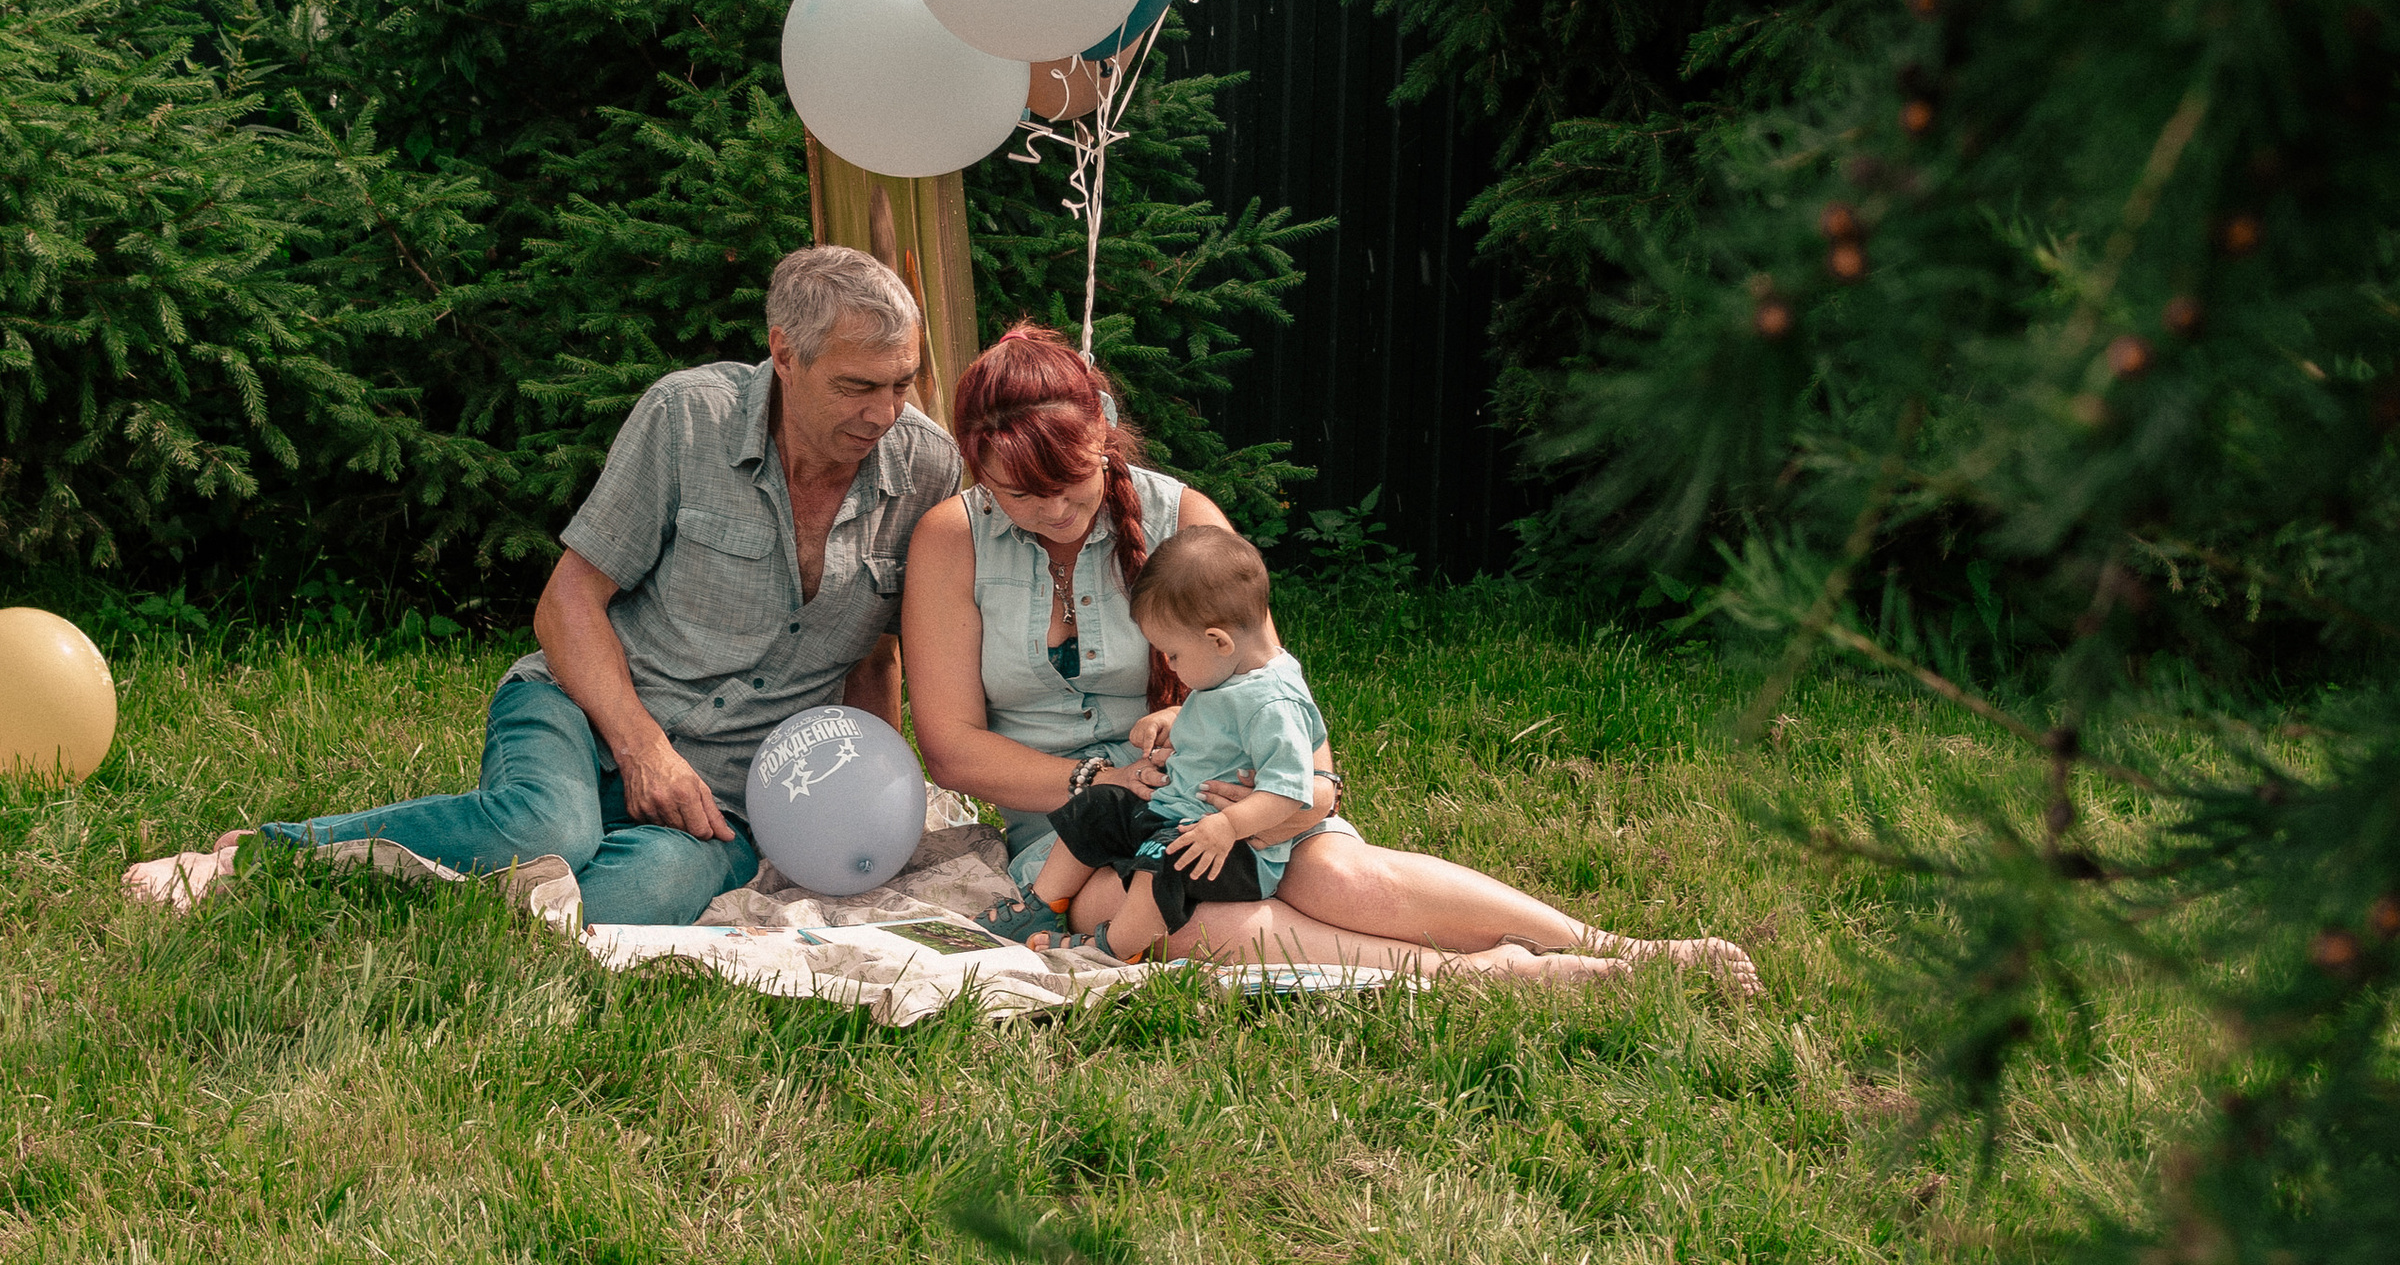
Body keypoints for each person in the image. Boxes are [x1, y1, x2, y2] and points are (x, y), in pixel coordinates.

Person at [898, 321, 1759, 990]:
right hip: (1069, 827)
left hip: (1220, 784)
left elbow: (1274, 685)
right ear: (975, 467)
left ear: (1107, 437)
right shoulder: (951, 541)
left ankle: (1621, 947)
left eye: (1071, 484)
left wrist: (1295, 796)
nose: (1053, 512)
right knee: (1166, 919)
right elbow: (948, 745)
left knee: (1339, 873)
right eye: (1021, 494)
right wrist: (1098, 784)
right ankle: (1489, 978)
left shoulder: (1184, 516)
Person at [264, 248, 958, 926]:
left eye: (900, 383)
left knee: (633, 901)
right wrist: (643, 749)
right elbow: (566, 603)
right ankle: (275, 854)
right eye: (857, 387)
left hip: (727, 798)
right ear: (783, 353)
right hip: (583, 717)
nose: (885, 413)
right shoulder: (687, 416)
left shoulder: (928, 468)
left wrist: (861, 807)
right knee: (549, 830)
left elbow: (874, 657)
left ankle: (477, 875)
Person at [1028, 526, 1322, 960]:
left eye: (1173, 654)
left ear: (1218, 641)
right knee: (1099, 804)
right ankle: (1038, 907)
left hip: (1229, 850)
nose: (1169, 664)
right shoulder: (1233, 676)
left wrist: (1228, 826)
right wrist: (1174, 720)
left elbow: (1289, 793)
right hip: (1176, 813)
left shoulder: (1272, 704)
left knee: (1161, 857)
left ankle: (1110, 947)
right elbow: (1224, 728)